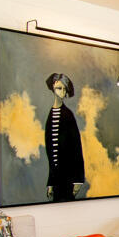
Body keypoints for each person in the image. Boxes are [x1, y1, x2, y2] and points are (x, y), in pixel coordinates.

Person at [44, 73, 84, 202]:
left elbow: (77, 147)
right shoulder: (50, 116)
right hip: (56, 178)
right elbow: (51, 153)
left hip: (69, 177)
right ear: (53, 88)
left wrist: (78, 179)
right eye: (59, 88)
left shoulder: (68, 115)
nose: (62, 92)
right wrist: (50, 182)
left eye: (64, 89)